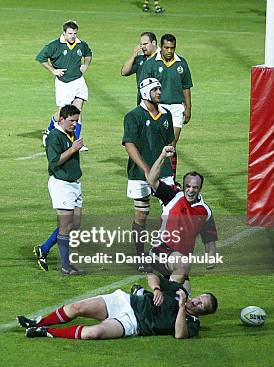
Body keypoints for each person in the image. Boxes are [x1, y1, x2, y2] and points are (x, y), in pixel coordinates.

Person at [17, 273, 217, 340]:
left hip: (132, 324)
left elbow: (179, 335)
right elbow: (151, 273)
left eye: (201, 305)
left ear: (203, 313)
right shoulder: (178, 290)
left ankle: (46, 331)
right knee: (78, 307)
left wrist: (182, 307)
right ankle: (37, 321)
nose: (197, 302)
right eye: (200, 298)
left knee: (92, 334)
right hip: (125, 301)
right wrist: (156, 288)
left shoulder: (192, 324)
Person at [142, 145, 218, 292]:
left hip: (179, 263)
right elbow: (151, 179)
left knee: (185, 299)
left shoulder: (205, 212)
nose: (190, 190)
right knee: (175, 291)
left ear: (200, 188)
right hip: (161, 251)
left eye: (195, 187)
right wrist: (162, 156)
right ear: (183, 186)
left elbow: (209, 239)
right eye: (188, 186)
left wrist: (211, 257)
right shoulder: (173, 196)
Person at [122, 78, 174, 267]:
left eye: (160, 88)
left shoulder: (166, 115)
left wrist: (169, 152)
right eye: (155, 90)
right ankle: (139, 256)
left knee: (170, 213)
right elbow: (129, 145)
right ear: (145, 92)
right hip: (139, 174)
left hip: (164, 172)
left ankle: (163, 252)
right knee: (141, 215)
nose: (159, 92)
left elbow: (169, 142)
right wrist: (146, 169)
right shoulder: (133, 116)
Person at [33, 105, 85, 275]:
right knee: (65, 225)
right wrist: (73, 149)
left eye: (76, 121)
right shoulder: (54, 137)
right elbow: (54, 162)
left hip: (74, 183)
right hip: (62, 184)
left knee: (74, 224)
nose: (75, 124)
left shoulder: (71, 133)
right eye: (72, 121)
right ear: (61, 119)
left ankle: (44, 248)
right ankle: (65, 266)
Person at [139, 33, 192, 179]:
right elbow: (144, 88)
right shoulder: (151, 64)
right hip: (158, 107)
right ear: (161, 47)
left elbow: (186, 87)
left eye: (172, 48)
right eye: (166, 47)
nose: (169, 51)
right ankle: (153, 176)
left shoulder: (181, 63)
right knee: (154, 144)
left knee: (171, 144)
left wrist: (188, 108)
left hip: (176, 108)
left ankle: (170, 179)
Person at [36, 20, 92, 151]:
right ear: (64, 33)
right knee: (62, 113)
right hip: (64, 84)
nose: (73, 36)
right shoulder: (55, 45)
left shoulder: (81, 44)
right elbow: (41, 58)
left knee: (77, 111)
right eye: (70, 33)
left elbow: (88, 54)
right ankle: (48, 131)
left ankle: (76, 142)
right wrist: (53, 70)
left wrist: (85, 65)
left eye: (75, 33)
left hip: (79, 81)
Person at [121, 32, 158, 105]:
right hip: (142, 102)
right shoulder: (141, 59)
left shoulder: (162, 58)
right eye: (141, 44)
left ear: (153, 43)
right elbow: (124, 72)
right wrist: (133, 55)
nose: (143, 47)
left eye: (145, 44)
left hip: (158, 101)